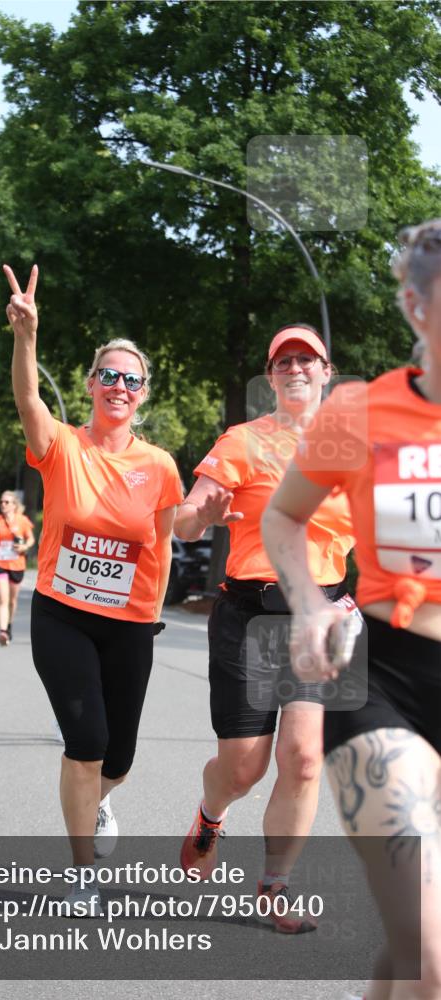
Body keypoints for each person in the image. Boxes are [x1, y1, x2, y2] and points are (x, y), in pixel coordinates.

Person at [262, 220, 441, 997]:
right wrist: (306, 606)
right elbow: (282, 516)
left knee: (411, 952)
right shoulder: (356, 414)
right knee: (429, 956)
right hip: (387, 686)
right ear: (415, 306)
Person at [3, 263, 183, 903]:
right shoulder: (63, 446)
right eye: (108, 374)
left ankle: (98, 802)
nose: (118, 385)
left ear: (142, 395)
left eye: (130, 379)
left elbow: (174, 529)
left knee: (119, 760)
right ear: (89, 384)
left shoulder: (160, 465)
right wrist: (27, 338)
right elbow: (29, 402)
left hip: (131, 624)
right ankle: (82, 872)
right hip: (63, 615)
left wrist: (209, 513)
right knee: (87, 743)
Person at [174, 324, 356, 933]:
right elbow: (185, 526)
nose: (297, 369)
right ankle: (210, 813)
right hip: (249, 615)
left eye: (309, 360)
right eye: (286, 362)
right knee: (244, 769)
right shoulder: (243, 441)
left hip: (321, 615)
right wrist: (203, 513)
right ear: (271, 376)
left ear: (327, 372)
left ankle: (275, 885)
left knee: (304, 759)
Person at [0, 491, 35, 645]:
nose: (3, 504)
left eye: (7, 502)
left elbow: (31, 539)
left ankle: (8, 626)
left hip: (16, 564)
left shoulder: (22, 521)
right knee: (3, 598)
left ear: (15, 505)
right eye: (1, 502)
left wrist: (24, 546)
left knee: (12, 601)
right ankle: (2, 631)